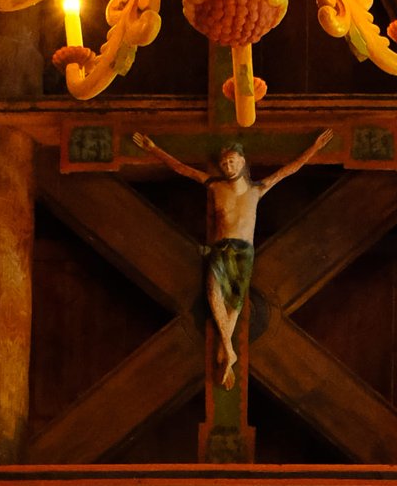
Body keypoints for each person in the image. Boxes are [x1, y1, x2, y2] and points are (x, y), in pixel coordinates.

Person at [124, 123, 337, 382]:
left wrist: (314, 148)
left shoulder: (257, 189)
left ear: (242, 161)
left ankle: (226, 349)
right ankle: (228, 350)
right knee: (213, 292)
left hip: (243, 251)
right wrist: (154, 149)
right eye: (224, 163)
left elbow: (289, 170)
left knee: (234, 303)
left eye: (233, 161)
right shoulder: (214, 185)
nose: (228, 167)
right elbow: (182, 169)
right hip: (220, 247)